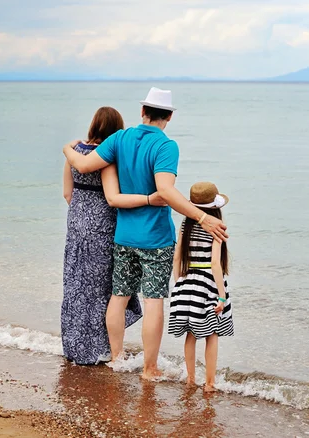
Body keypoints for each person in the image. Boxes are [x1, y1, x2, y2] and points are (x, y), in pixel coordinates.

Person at [62, 87, 228, 379]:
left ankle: (116, 357)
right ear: (170, 116)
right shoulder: (166, 146)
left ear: (142, 111)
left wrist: (67, 149)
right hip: (155, 237)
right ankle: (150, 369)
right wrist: (202, 216)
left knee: (119, 295)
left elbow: (84, 164)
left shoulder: (119, 138)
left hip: (123, 234)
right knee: (153, 301)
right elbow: (165, 190)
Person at [62, 106, 167, 365]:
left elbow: (67, 193)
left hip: (76, 225)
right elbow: (113, 198)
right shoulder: (107, 157)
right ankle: (100, 350)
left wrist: (81, 217)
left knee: (76, 286)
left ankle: (74, 347)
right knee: (103, 289)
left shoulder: (75, 153)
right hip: (103, 226)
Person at [168, 182, 234, 392]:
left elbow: (177, 257)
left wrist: (178, 282)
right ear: (216, 208)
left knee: (191, 333)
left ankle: (190, 379)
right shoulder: (217, 227)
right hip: (208, 284)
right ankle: (210, 383)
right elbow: (215, 263)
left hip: (188, 281)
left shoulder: (186, 226)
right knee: (211, 334)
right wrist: (221, 296)